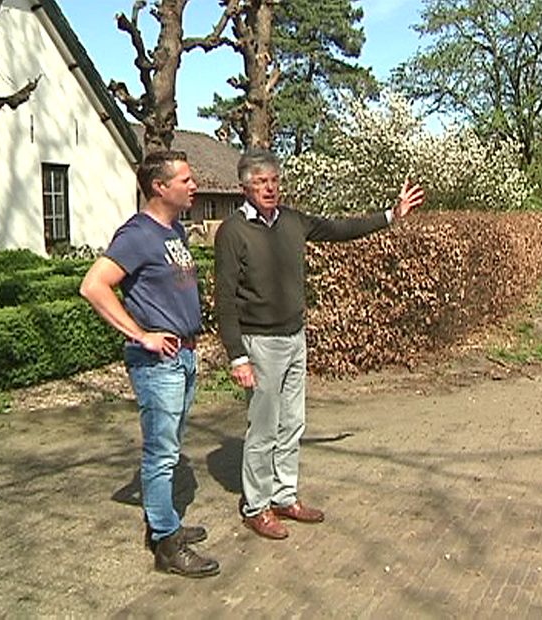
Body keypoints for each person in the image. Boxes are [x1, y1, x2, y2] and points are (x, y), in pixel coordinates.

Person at [214, 148, 424, 540]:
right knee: (263, 429)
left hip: (295, 337)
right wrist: (236, 356)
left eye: (274, 181)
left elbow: (339, 230)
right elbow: (224, 299)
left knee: (292, 423)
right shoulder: (233, 232)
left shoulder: (292, 221)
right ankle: (256, 506)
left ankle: (284, 495)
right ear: (244, 188)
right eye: (261, 182)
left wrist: (391, 215)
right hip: (260, 343)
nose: (270, 188)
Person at [80, 150, 220, 578]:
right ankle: (165, 542)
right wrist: (141, 334)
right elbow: (93, 286)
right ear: (159, 187)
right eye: (186, 180)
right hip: (157, 362)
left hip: (184, 356)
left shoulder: (174, 230)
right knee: (161, 453)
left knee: (171, 448)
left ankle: (165, 521)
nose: (194, 186)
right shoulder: (137, 234)